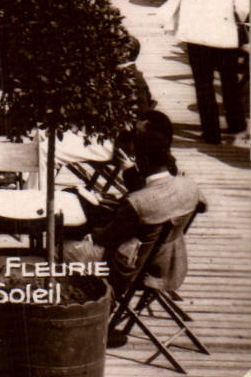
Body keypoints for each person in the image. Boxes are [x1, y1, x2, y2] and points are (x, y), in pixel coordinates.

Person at [62, 130, 203, 304]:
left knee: (60, 249)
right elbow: (193, 202)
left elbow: (108, 237)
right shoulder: (189, 185)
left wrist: (90, 234)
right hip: (171, 263)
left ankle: (85, 305)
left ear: (143, 161)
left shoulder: (137, 203)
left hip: (131, 270)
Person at [157, 0, 249, 145]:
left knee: (203, 82)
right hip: (224, 34)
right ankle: (235, 124)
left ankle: (211, 132)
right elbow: (243, 6)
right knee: (228, 80)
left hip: (195, 32)